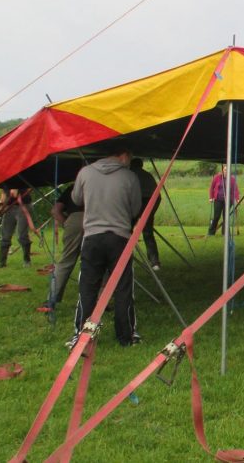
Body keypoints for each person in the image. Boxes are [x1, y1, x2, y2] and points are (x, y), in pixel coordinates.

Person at [71, 146, 142, 348]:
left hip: (92, 237)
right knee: (122, 288)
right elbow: (135, 208)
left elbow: (76, 199)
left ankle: (82, 334)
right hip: (119, 238)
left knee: (88, 286)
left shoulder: (85, 172)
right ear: (124, 154)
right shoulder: (129, 177)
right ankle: (125, 336)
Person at [45, 182, 83, 308]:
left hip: (74, 220)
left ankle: (52, 298)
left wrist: (66, 223)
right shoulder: (101, 183)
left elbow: (55, 210)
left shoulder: (73, 187)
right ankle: (101, 299)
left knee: (66, 260)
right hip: (97, 219)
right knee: (100, 260)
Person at [130, 158, 161, 270]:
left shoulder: (131, 175)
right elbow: (158, 196)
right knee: (148, 233)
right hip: (150, 203)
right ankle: (155, 262)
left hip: (140, 202)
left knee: (126, 232)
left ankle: (124, 260)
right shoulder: (148, 175)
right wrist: (150, 213)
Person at [0, 181, 33, 267]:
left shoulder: (21, 174)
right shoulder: (5, 178)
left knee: (22, 235)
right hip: (9, 207)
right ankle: (2, 262)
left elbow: (26, 189)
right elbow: (3, 194)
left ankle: (27, 260)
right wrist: (0, 207)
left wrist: (16, 187)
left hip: (23, 206)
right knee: (5, 236)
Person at [207, 165, 239, 236]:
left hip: (228, 201)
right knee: (216, 216)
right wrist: (211, 197)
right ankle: (211, 232)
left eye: (227, 170)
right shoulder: (217, 178)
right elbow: (211, 188)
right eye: (225, 170)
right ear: (222, 170)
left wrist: (237, 198)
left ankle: (225, 233)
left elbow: (235, 189)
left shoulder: (232, 179)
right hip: (218, 200)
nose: (226, 171)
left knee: (226, 216)